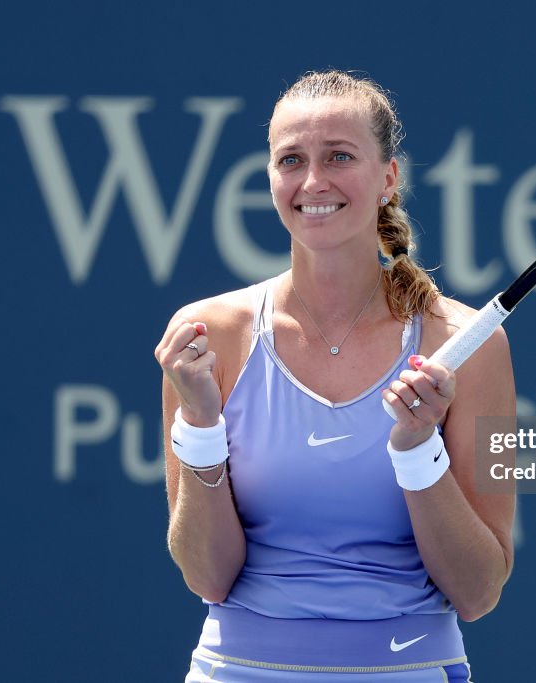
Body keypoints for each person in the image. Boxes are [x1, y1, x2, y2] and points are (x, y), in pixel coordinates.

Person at [154, 69, 516, 683]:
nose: (313, 182)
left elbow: (478, 592)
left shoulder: (466, 345)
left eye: (340, 156)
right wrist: (201, 426)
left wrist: (417, 450)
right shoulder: (207, 337)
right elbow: (206, 577)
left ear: (388, 178)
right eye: (290, 160)